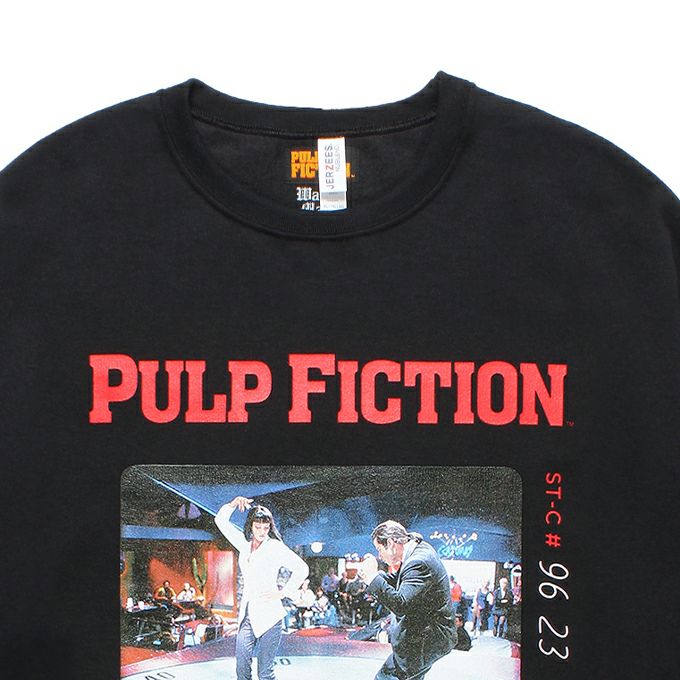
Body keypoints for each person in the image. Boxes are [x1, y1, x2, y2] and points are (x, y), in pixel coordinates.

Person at [215, 495, 309, 680]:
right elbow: (221, 522)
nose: (262, 531)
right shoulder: (244, 544)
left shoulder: (275, 547)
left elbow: (302, 568)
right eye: (258, 527)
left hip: (270, 616)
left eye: (265, 528)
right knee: (242, 669)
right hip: (248, 616)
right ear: (250, 525)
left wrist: (283, 593)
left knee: (265, 673)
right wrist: (233, 504)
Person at [358, 520, 456, 680]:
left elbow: (401, 604)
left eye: (379, 549)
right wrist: (375, 576)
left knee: (387, 677)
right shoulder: (417, 550)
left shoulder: (419, 562)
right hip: (426, 636)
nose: (379, 555)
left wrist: (372, 577)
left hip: (426, 639)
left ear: (391, 543)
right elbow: (403, 582)